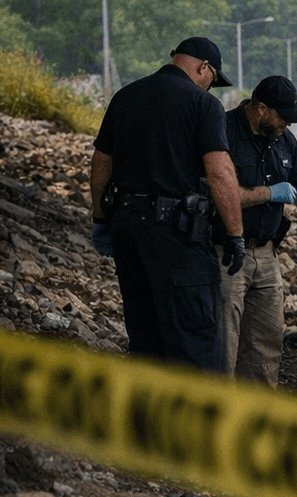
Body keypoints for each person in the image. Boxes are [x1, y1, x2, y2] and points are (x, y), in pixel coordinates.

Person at [89, 37, 247, 369]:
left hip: (128, 232)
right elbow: (219, 172)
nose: (210, 88)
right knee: (194, 341)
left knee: (145, 338)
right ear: (204, 68)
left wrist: (101, 219)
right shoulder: (202, 105)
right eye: (212, 80)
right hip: (178, 236)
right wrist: (235, 233)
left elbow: (102, 163)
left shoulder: (125, 96)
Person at [219, 75, 297, 385]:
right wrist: (268, 193)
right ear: (260, 109)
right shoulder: (223, 131)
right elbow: (219, 191)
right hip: (225, 253)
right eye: (283, 117)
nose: (288, 125)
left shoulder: (284, 139)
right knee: (224, 339)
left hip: (266, 253)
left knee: (266, 338)